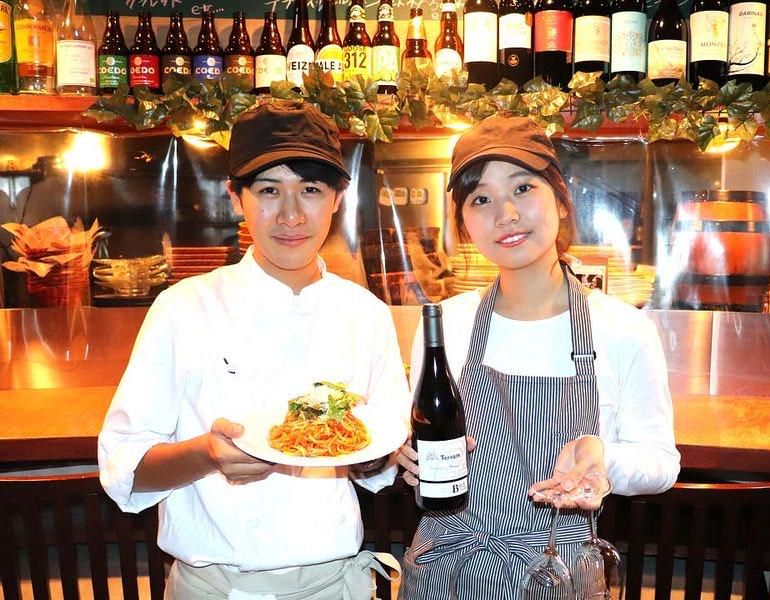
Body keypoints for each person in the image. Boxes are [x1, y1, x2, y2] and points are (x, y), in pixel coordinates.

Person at [98, 101, 409, 600]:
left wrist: (385, 452)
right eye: (268, 190)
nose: (291, 215)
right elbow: (124, 467)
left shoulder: (365, 313)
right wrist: (206, 454)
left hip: (335, 583)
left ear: (338, 198)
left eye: (310, 190)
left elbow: (378, 466)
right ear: (235, 197)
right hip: (213, 588)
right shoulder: (184, 307)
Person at [396, 116, 681, 599]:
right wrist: (407, 458)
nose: (505, 214)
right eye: (480, 199)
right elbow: (421, 443)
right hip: (447, 566)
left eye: (523, 188)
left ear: (561, 200)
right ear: (464, 224)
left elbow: (661, 464)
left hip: (560, 573)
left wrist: (602, 457)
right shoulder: (445, 325)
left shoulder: (623, 330)